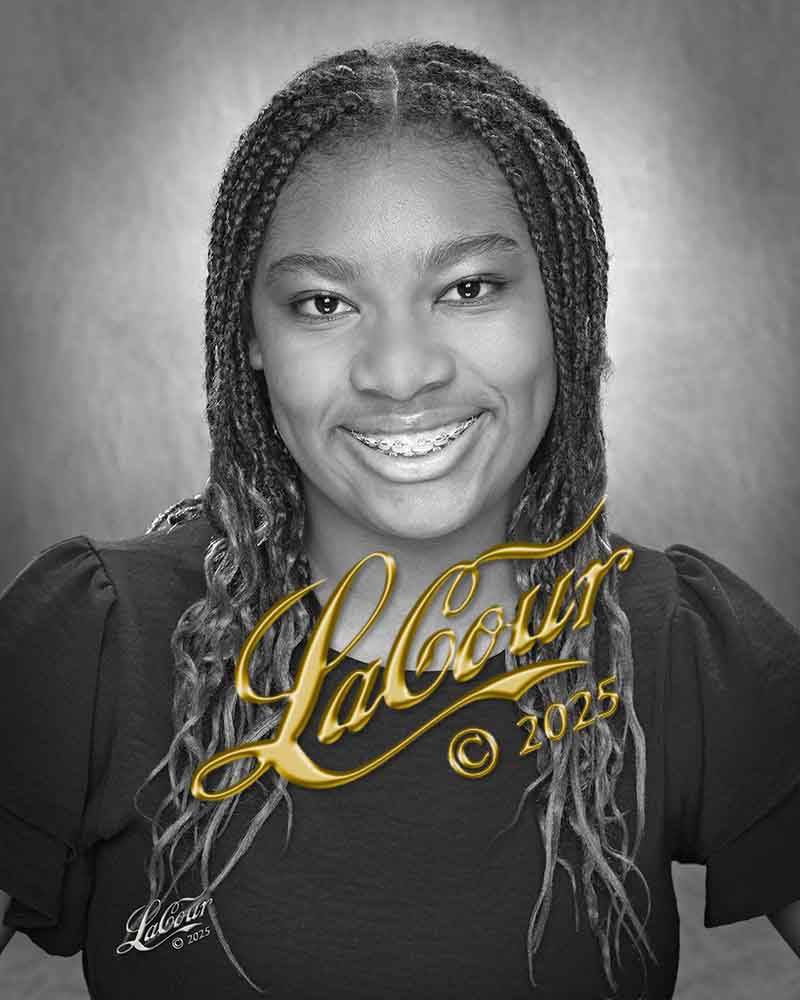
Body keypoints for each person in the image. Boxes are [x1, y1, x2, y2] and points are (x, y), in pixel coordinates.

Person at [1, 40, 798, 1000]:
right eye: (324, 302)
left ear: (564, 305)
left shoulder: (676, 646)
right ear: (251, 337)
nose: (400, 371)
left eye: (468, 288)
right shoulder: (95, 643)